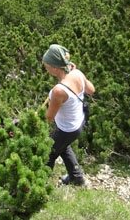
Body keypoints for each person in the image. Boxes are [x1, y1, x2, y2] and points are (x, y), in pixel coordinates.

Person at [42, 44, 95, 186]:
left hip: (66, 129)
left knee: (49, 153)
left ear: (55, 67)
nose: (46, 69)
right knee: (63, 147)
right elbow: (91, 90)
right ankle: (77, 178)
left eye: (47, 67)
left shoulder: (59, 91)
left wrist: (33, 120)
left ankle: (38, 186)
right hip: (78, 122)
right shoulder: (77, 73)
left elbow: (48, 117)